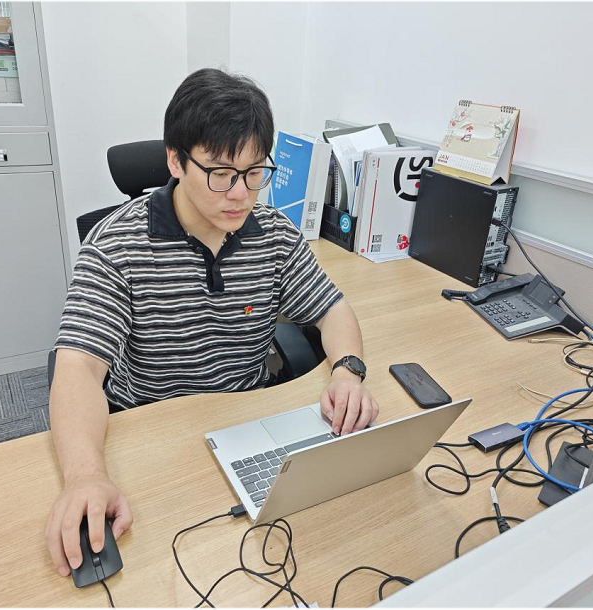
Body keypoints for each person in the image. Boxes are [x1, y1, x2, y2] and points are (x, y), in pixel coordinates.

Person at [45, 68, 379, 577]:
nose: (241, 194)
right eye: (221, 173)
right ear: (175, 160)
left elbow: (332, 309)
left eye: (254, 172)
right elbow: (77, 369)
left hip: (249, 424)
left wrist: (348, 372)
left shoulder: (273, 234)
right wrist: (85, 477)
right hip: (154, 432)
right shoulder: (115, 246)